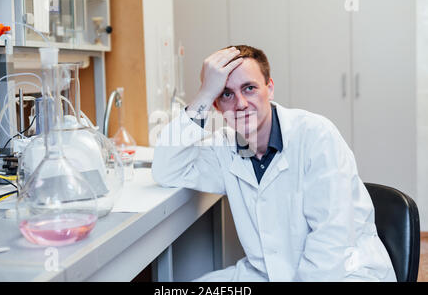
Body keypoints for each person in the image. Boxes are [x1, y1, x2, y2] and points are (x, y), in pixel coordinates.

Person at [152, 45, 397, 282]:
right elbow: (167, 168)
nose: (240, 104)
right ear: (216, 105)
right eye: (226, 94)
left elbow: (331, 244)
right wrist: (205, 93)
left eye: (249, 88)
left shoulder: (316, 136)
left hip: (343, 273)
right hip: (266, 273)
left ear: (269, 88)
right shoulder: (224, 148)